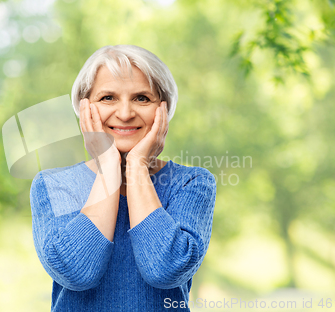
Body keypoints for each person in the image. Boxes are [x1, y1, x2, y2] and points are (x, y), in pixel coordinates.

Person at [30, 44, 216, 311]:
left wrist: (138, 166)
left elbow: (165, 269)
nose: (126, 113)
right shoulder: (53, 186)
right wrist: (108, 165)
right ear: (84, 108)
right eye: (108, 98)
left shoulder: (192, 182)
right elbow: (76, 272)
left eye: (142, 98)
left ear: (163, 109)